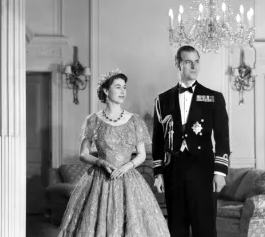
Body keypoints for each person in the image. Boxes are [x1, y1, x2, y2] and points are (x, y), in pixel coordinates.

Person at [57, 69, 170, 237]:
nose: (123, 91)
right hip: (100, 179)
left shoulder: (135, 121)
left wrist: (127, 167)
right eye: (118, 87)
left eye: (124, 87)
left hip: (128, 179)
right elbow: (83, 154)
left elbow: (141, 154)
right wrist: (100, 162)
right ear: (105, 90)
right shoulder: (92, 120)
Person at [152, 45, 230, 237]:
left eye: (197, 62)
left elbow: (222, 137)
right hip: (174, 171)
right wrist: (158, 172)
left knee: (204, 227)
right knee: (176, 227)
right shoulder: (162, 100)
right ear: (178, 64)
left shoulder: (214, 97)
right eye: (188, 62)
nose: (194, 66)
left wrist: (220, 172)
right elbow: (157, 139)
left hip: (203, 170)